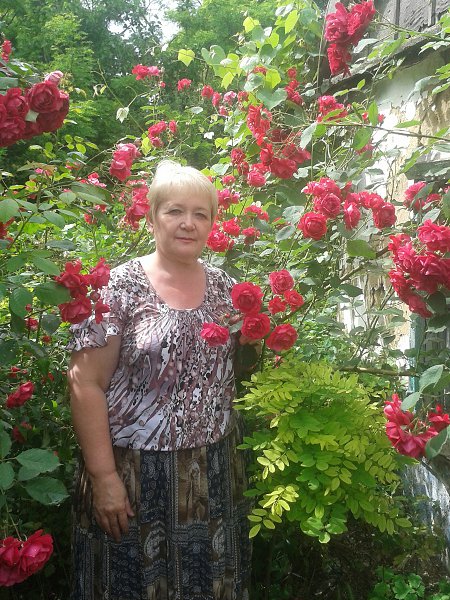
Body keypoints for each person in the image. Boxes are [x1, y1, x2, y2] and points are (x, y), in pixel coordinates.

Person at [67, 160, 251, 600]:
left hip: (212, 473)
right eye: (175, 211)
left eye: (200, 213)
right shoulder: (117, 288)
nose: (188, 223)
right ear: (151, 218)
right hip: (132, 475)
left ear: (212, 223)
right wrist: (103, 475)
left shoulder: (228, 290)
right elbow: (85, 384)